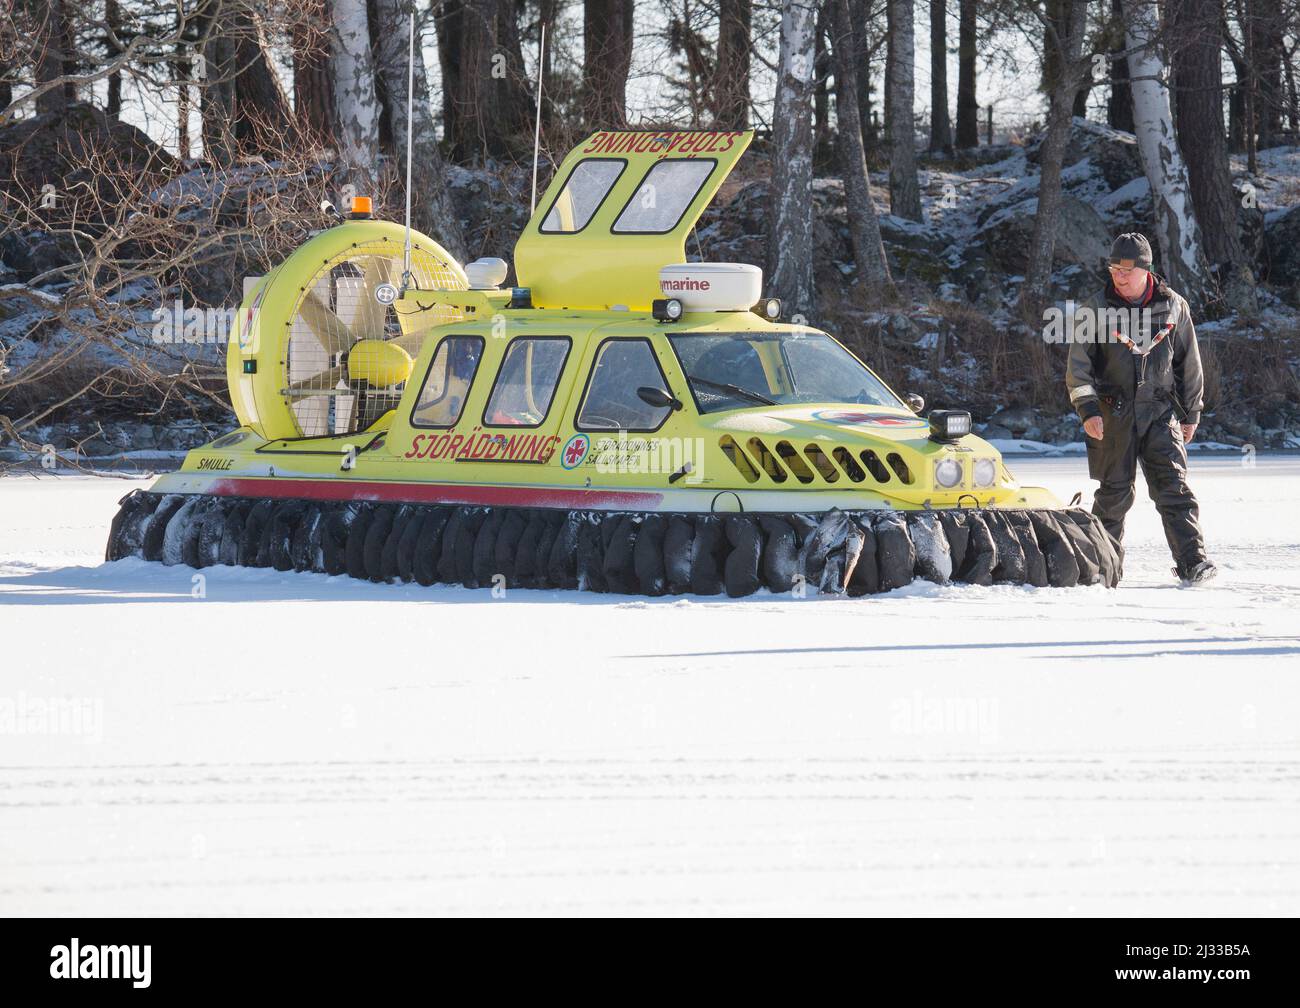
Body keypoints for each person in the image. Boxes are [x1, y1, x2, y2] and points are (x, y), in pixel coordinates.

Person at [1065, 233, 1217, 585]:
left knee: (1173, 488)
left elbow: (1188, 363)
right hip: (1112, 413)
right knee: (1114, 494)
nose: (1118, 275)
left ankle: (1194, 563)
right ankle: (1101, 569)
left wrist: (1192, 413)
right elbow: (1078, 368)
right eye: (1114, 268)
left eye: (1126, 270)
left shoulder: (1174, 306)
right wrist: (1089, 411)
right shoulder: (1095, 308)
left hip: (1161, 412)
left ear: (1146, 270)